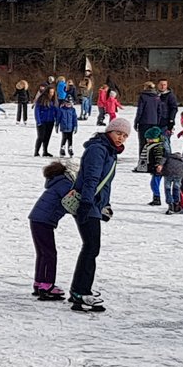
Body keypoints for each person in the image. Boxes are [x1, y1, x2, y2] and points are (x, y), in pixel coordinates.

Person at [69, 119, 129, 313]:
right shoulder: (99, 149)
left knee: (91, 247)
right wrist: (87, 204)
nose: (121, 138)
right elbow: (92, 178)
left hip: (95, 204)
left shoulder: (110, 151)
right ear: (109, 131)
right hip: (87, 204)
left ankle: (79, 289)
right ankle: (81, 292)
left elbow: (106, 183)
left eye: (125, 135)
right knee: (91, 247)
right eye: (118, 133)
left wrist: (106, 204)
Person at [28, 160, 72, 301]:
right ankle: (47, 286)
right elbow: (72, 200)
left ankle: (39, 282)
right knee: (49, 253)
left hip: (36, 219)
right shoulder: (64, 184)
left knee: (42, 253)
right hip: (43, 221)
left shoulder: (54, 183)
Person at [132, 81, 161, 155]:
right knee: (153, 142)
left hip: (144, 122)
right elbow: (159, 111)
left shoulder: (143, 97)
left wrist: (136, 121)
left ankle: (142, 161)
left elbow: (140, 110)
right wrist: (157, 122)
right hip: (154, 122)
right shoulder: (157, 97)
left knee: (143, 143)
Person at [162, 139, 183, 214]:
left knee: (167, 188)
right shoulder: (181, 163)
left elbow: (163, 164)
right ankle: (176, 204)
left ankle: (170, 204)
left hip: (168, 174)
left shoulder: (168, 158)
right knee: (176, 188)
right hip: (178, 175)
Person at [57, 87, 80, 154]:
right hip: (64, 126)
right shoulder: (61, 110)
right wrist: (57, 125)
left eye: (70, 104)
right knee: (64, 138)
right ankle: (62, 148)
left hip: (70, 127)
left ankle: (70, 148)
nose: (68, 105)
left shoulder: (72, 110)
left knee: (70, 138)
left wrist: (75, 126)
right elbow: (58, 118)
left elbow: (74, 119)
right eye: (67, 104)